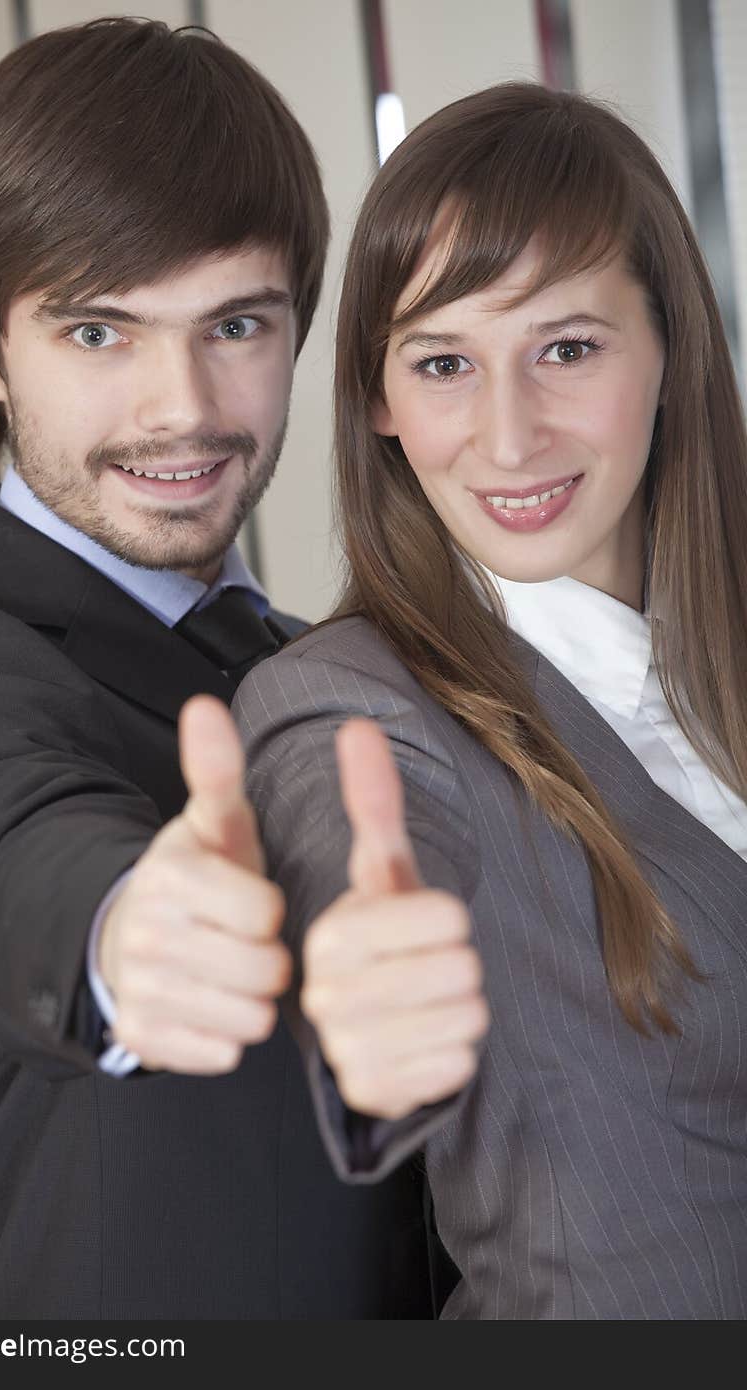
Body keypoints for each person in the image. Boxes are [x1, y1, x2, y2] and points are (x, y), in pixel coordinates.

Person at [0, 18, 437, 1320]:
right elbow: (4, 847)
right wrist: (129, 930)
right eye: (99, 332)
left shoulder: (339, 674)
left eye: (235, 321)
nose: (182, 404)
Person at [232, 82, 747, 1318]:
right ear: (378, 400)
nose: (508, 438)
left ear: (669, 347)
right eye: (445, 362)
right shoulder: (350, 709)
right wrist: (362, 985)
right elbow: (356, 855)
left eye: (566, 347)